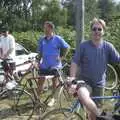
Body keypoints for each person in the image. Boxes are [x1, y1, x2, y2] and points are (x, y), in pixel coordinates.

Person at [70, 17, 120, 108]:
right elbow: (74, 62)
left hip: (99, 84)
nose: (96, 31)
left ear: (103, 31)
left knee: (95, 111)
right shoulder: (83, 46)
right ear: (91, 31)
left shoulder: (108, 47)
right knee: (88, 104)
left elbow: (118, 59)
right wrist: (72, 79)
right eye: (94, 29)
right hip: (84, 82)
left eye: (99, 29)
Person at [37, 21, 70, 106]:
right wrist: (38, 61)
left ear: (51, 28)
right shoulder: (42, 39)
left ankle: (52, 99)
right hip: (44, 65)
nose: (44, 29)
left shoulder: (58, 39)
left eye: (46, 28)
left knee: (54, 83)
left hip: (55, 65)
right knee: (40, 82)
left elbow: (67, 47)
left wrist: (62, 57)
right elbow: (40, 52)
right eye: (44, 28)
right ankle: (38, 99)